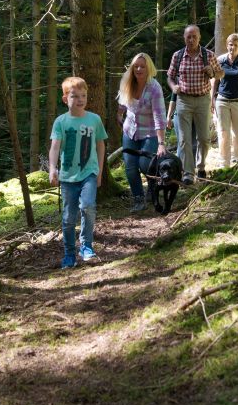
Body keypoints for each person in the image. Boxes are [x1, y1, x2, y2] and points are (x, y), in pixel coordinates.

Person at [49, 76, 107, 268]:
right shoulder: (61, 122)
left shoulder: (94, 120)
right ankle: (69, 254)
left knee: (88, 206)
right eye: (75, 96)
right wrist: (52, 168)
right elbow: (55, 147)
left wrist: (98, 171)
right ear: (66, 98)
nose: (80, 99)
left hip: (88, 173)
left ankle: (86, 246)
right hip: (67, 177)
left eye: (83, 95)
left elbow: (100, 145)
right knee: (67, 218)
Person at [167, 24, 223, 184]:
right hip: (183, 100)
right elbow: (170, 76)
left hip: (203, 100)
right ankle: (188, 173)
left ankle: (201, 166)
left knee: (204, 138)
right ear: (184, 38)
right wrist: (173, 87)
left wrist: (212, 72)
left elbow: (221, 73)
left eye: (194, 37)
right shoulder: (177, 56)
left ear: (199, 38)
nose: (191, 40)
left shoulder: (209, 55)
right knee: (184, 139)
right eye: (188, 37)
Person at [117, 53, 167, 212]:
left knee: (145, 164)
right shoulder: (127, 82)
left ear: (149, 68)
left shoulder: (154, 88)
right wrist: (119, 114)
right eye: (136, 66)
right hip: (130, 131)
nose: (138, 69)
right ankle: (138, 199)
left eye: (142, 66)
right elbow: (123, 102)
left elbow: (159, 116)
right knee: (130, 167)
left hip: (150, 132)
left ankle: (152, 187)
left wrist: (161, 143)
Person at [211, 32, 238, 168]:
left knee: (237, 133)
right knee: (223, 132)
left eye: (236, 45)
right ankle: (224, 162)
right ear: (227, 45)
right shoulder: (220, 60)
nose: (233, 48)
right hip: (222, 101)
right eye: (231, 45)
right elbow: (214, 82)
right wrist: (212, 100)